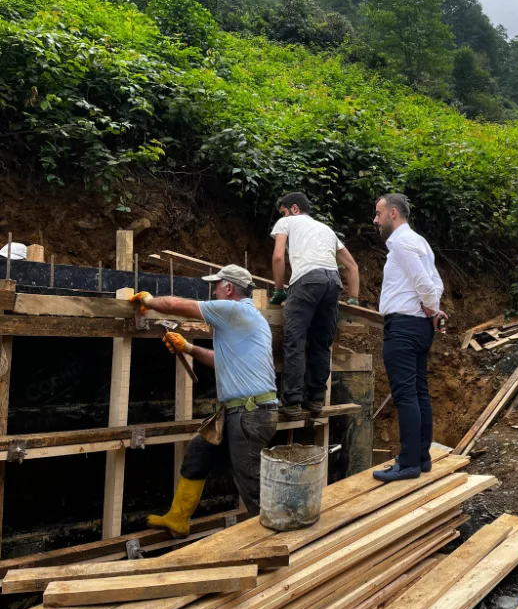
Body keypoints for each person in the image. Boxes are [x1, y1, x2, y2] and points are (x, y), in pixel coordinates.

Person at [131, 265, 279, 536]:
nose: (213, 290)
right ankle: (178, 518)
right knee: (200, 452)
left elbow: (176, 304)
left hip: (249, 413)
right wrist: (187, 348)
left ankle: (274, 539)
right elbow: (220, 360)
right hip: (239, 411)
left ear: (229, 288)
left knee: (249, 481)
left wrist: (149, 301)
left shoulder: (234, 310)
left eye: (217, 285)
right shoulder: (243, 320)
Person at [371, 193, 446, 482]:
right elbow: (435, 282)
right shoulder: (419, 242)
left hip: (403, 327)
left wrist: (433, 308)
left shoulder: (402, 242)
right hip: (418, 327)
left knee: (405, 395)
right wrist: (432, 311)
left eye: (378, 214)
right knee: (418, 392)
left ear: (393, 213)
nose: (375, 220)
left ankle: (408, 463)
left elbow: (426, 284)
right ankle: (422, 458)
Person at [269, 192, 360, 417]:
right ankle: (316, 399)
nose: (282, 215)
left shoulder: (287, 222)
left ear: (294, 209)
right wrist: (353, 299)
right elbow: (352, 266)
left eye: (283, 211)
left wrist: (279, 290)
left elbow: (278, 257)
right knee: (321, 343)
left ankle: (292, 401)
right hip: (332, 283)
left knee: (295, 339)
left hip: (306, 280)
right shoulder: (326, 230)